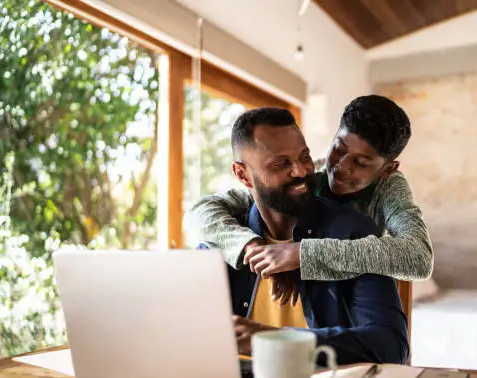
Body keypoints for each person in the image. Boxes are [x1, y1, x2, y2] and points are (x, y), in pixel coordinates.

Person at [184, 95, 433, 304]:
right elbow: (200, 211)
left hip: (353, 304)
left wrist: (301, 255)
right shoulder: (307, 173)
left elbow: (419, 257)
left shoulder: (388, 187)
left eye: (361, 162)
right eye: (339, 148)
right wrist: (256, 248)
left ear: (387, 169)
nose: (340, 167)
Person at [215, 107, 407, 365]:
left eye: (304, 156)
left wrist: (273, 341)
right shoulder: (219, 244)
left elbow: (389, 346)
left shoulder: (352, 232)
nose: (301, 171)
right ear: (242, 174)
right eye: (281, 163)